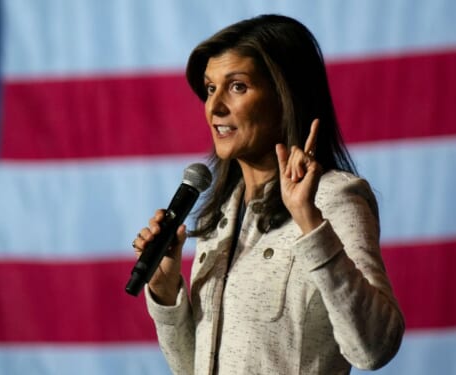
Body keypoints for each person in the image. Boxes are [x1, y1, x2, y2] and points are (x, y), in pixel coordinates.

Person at [131, 14, 404, 375]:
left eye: (238, 86)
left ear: (285, 96)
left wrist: (309, 221)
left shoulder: (333, 198)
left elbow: (373, 347)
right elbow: (191, 368)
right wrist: (166, 292)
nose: (214, 108)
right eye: (210, 89)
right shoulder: (221, 215)